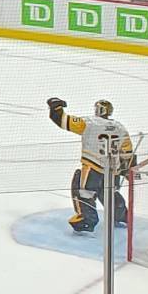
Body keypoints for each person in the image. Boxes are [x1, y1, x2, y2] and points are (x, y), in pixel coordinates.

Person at [50, 96, 134, 233]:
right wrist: (127, 169)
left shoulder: (90, 123)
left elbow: (63, 121)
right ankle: (122, 215)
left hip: (93, 165)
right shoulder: (120, 127)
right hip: (113, 169)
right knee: (110, 192)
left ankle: (87, 220)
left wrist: (56, 108)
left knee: (83, 191)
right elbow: (127, 151)